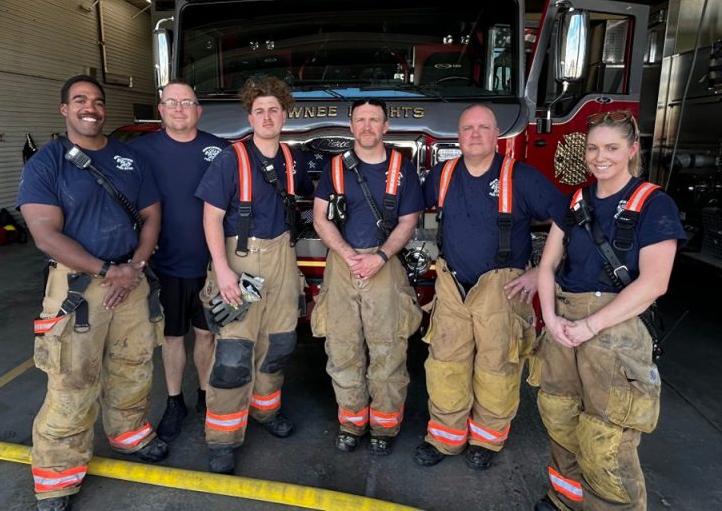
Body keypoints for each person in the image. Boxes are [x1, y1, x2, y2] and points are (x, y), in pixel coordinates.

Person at [17, 75, 167, 511]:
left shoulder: (129, 158)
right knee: (72, 378)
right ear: (64, 109)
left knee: (134, 364)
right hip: (78, 288)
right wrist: (106, 271)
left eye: (98, 101)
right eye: (80, 100)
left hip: (132, 281)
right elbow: (45, 234)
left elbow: (151, 214)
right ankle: (57, 477)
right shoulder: (47, 164)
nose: (91, 107)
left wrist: (134, 266)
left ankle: (130, 434)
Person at [533, 110, 685, 511]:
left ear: (632, 149)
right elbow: (547, 265)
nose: (601, 157)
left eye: (613, 148)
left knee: (607, 437)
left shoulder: (654, 204)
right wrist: (550, 319)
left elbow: (655, 283)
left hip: (614, 325)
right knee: (560, 414)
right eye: (594, 148)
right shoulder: (577, 200)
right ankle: (565, 499)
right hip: (564, 320)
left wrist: (588, 326)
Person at [415, 103, 566, 470]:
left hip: (504, 288)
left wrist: (542, 272)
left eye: (483, 127)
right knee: (445, 363)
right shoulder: (442, 174)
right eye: (468, 128)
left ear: (496, 135)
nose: (475, 134)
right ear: (459, 136)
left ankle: (487, 440)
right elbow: (407, 211)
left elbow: (570, 217)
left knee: (496, 366)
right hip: (451, 286)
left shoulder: (522, 178)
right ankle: (445, 437)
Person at [195, 76, 312, 474]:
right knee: (233, 355)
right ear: (250, 115)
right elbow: (210, 218)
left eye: (274, 110)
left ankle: (265, 411)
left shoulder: (290, 159)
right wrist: (223, 272)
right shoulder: (231, 159)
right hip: (241, 262)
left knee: (278, 344)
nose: (267, 116)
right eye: (259, 110)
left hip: (283, 259)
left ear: (284, 115)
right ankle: (223, 438)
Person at [311, 98, 424, 456]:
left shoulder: (401, 168)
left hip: (384, 266)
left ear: (386, 127)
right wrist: (347, 255)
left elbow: (409, 221)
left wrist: (379, 256)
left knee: (388, 349)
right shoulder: (335, 168)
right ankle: (351, 422)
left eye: (374, 120)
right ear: (351, 126)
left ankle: (384, 427)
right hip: (342, 267)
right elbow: (320, 217)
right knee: (342, 348)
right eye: (361, 120)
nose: (367, 126)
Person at [128, 80, 228, 442]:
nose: (180, 109)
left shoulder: (220, 150)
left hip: (212, 264)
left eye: (187, 102)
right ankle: (174, 402)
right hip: (164, 265)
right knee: (172, 337)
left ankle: (205, 396)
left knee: (206, 335)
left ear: (199, 110)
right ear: (161, 109)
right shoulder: (139, 152)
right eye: (172, 102)